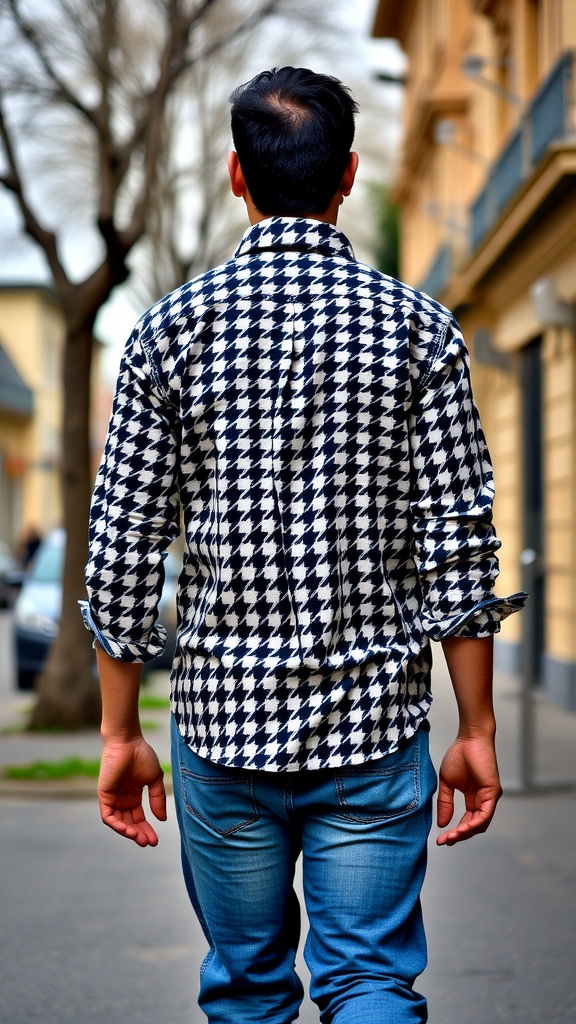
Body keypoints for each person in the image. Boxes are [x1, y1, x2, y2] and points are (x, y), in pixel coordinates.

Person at [81, 67, 526, 1024]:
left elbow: (122, 553)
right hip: (373, 725)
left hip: (223, 733)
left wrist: (120, 735)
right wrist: (477, 729)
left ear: (238, 177)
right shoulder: (418, 331)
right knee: (368, 981)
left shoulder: (168, 334)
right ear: (350, 174)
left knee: (246, 988)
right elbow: (458, 545)